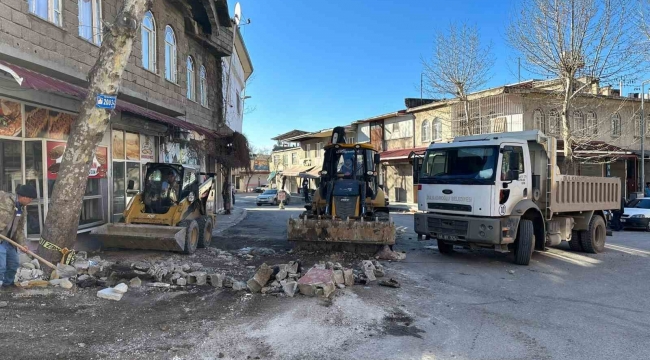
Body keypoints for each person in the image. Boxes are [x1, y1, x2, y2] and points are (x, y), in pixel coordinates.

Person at [0, 185, 36, 289]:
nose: (31, 201)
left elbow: (19, 229)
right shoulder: (4, 199)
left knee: (13, 264)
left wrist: (22, 244)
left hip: (9, 240)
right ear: (24, 197)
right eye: (30, 199)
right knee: (1, 265)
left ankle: (7, 285)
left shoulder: (21, 209)